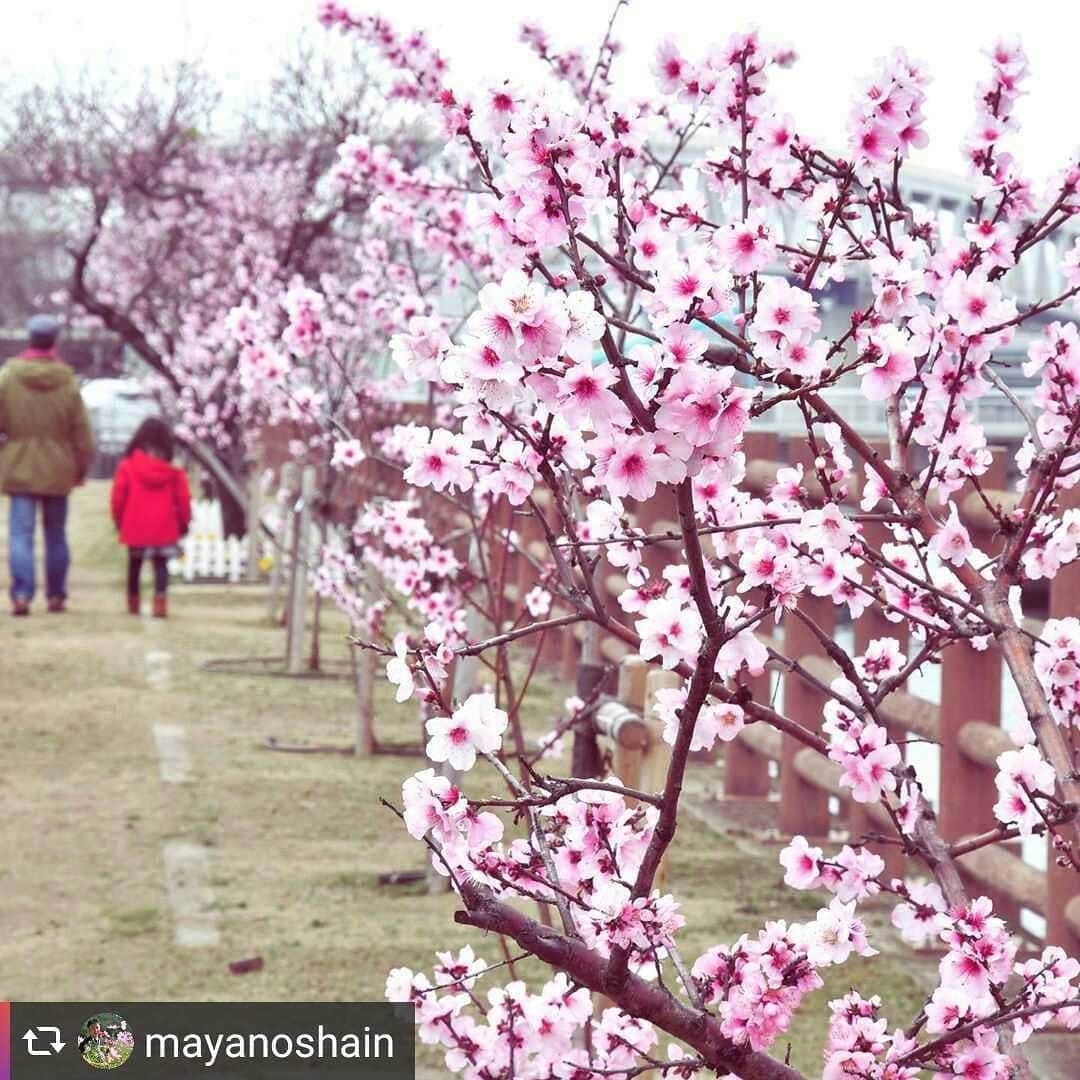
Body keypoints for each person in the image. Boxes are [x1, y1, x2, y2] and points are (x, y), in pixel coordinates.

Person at [0, 314, 94, 616]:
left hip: (19, 464)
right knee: (55, 533)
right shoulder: (67, 381)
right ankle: (56, 595)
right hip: (58, 466)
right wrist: (81, 467)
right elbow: (81, 430)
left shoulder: (9, 377)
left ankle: (22, 594)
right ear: (54, 341)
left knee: (20, 534)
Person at [110, 417, 191, 618]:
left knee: (134, 564)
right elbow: (183, 500)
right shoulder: (173, 472)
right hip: (163, 525)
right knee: (160, 564)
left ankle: (133, 601)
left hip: (135, 524)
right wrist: (184, 522)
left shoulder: (128, 467)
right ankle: (160, 601)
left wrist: (118, 519)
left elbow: (118, 496)